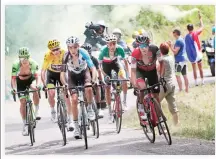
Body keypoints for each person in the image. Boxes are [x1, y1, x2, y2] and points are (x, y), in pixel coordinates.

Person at [60, 36, 97, 139]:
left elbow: (93, 68)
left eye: (75, 47)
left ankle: (89, 109)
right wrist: (64, 83)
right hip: (72, 77)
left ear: (78, 46)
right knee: (74, 100)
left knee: (88, 87)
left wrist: (93, 80)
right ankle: (76, 127)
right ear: (68, 48)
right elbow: (62, 74)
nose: (73, 50)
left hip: (84, 74)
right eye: (70, 47)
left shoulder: (83, 53)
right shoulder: (65, 56)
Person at [41, 39, 73, 130]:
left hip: (61, 74)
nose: (56, 51)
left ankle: (70, 118)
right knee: (51, 93)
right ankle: (53, 111)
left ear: (60, 48)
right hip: (51, 75)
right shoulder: (47, 55)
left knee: (66, 94)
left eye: (57, 49)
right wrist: (44, 85)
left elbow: (70, 67)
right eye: (53, 50)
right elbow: (43, 71)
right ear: (50, 51)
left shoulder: (65, 53)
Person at [130, 34, 164, 121]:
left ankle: (160, 118)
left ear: (148, 45)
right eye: (141, 46)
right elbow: (133, 71)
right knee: (142, 88)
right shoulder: (134, 54)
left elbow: (162, 63)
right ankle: (141, 106)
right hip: (140, 71)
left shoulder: (155, 49)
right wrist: (134, 83)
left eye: (145, 45)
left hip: (152, 71)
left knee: (156, 95)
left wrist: (162, 76)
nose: (143, 48)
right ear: (138, 46)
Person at [98, 34, 129, 123]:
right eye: (110, 44)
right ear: (107, 44)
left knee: (123, 78)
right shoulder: (103, 51)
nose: (112, 46)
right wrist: (104, 76)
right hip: (105, 66)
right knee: (107, 87)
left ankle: (124, 102)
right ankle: (110, 112)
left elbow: (125, 62)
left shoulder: (120, 49)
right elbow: (99, 67)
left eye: (114, 44)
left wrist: (128, 75)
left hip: (115, 64)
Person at [11, 47, 40, 136]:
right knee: (23, 102)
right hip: (20, 82)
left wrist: (38, 85)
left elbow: (36, 77)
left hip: (31, 80)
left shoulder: (33, 63)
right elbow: (13, 79)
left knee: (35, 89)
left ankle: (36, 110)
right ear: (19, 58)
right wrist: (14, 89)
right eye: (22, 58)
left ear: (29, 57)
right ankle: (24, 124)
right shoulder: (16, 64)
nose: (24, 60)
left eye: (26, 58)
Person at [81, 43, 105, 118]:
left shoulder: (94, 59)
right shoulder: (80, 60)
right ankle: (86, 108)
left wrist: (101, 80)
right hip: (83, 77)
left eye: (89, 52)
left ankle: (99, 108)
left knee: (97, 86)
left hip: (93, 75)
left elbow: (99, 71)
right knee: (84, 91)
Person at [158, 42, 179, 126]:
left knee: (155, 102)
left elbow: (158, 70)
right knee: (173, 105)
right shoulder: (171, 57)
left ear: (160, 51)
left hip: (164, 85)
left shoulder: (163, 60)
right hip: (172, 83)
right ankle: (176, 125)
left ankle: (162, 124)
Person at [185, 10, 204, 86]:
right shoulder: (195, 33)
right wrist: (200, 19)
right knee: (200, 68)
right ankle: (202, 82)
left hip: (191, 55)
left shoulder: (186, 37)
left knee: (194, 69)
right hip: (198, 54)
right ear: (193, 28)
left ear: (187, 29)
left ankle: (196, 83)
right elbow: (202, 27)